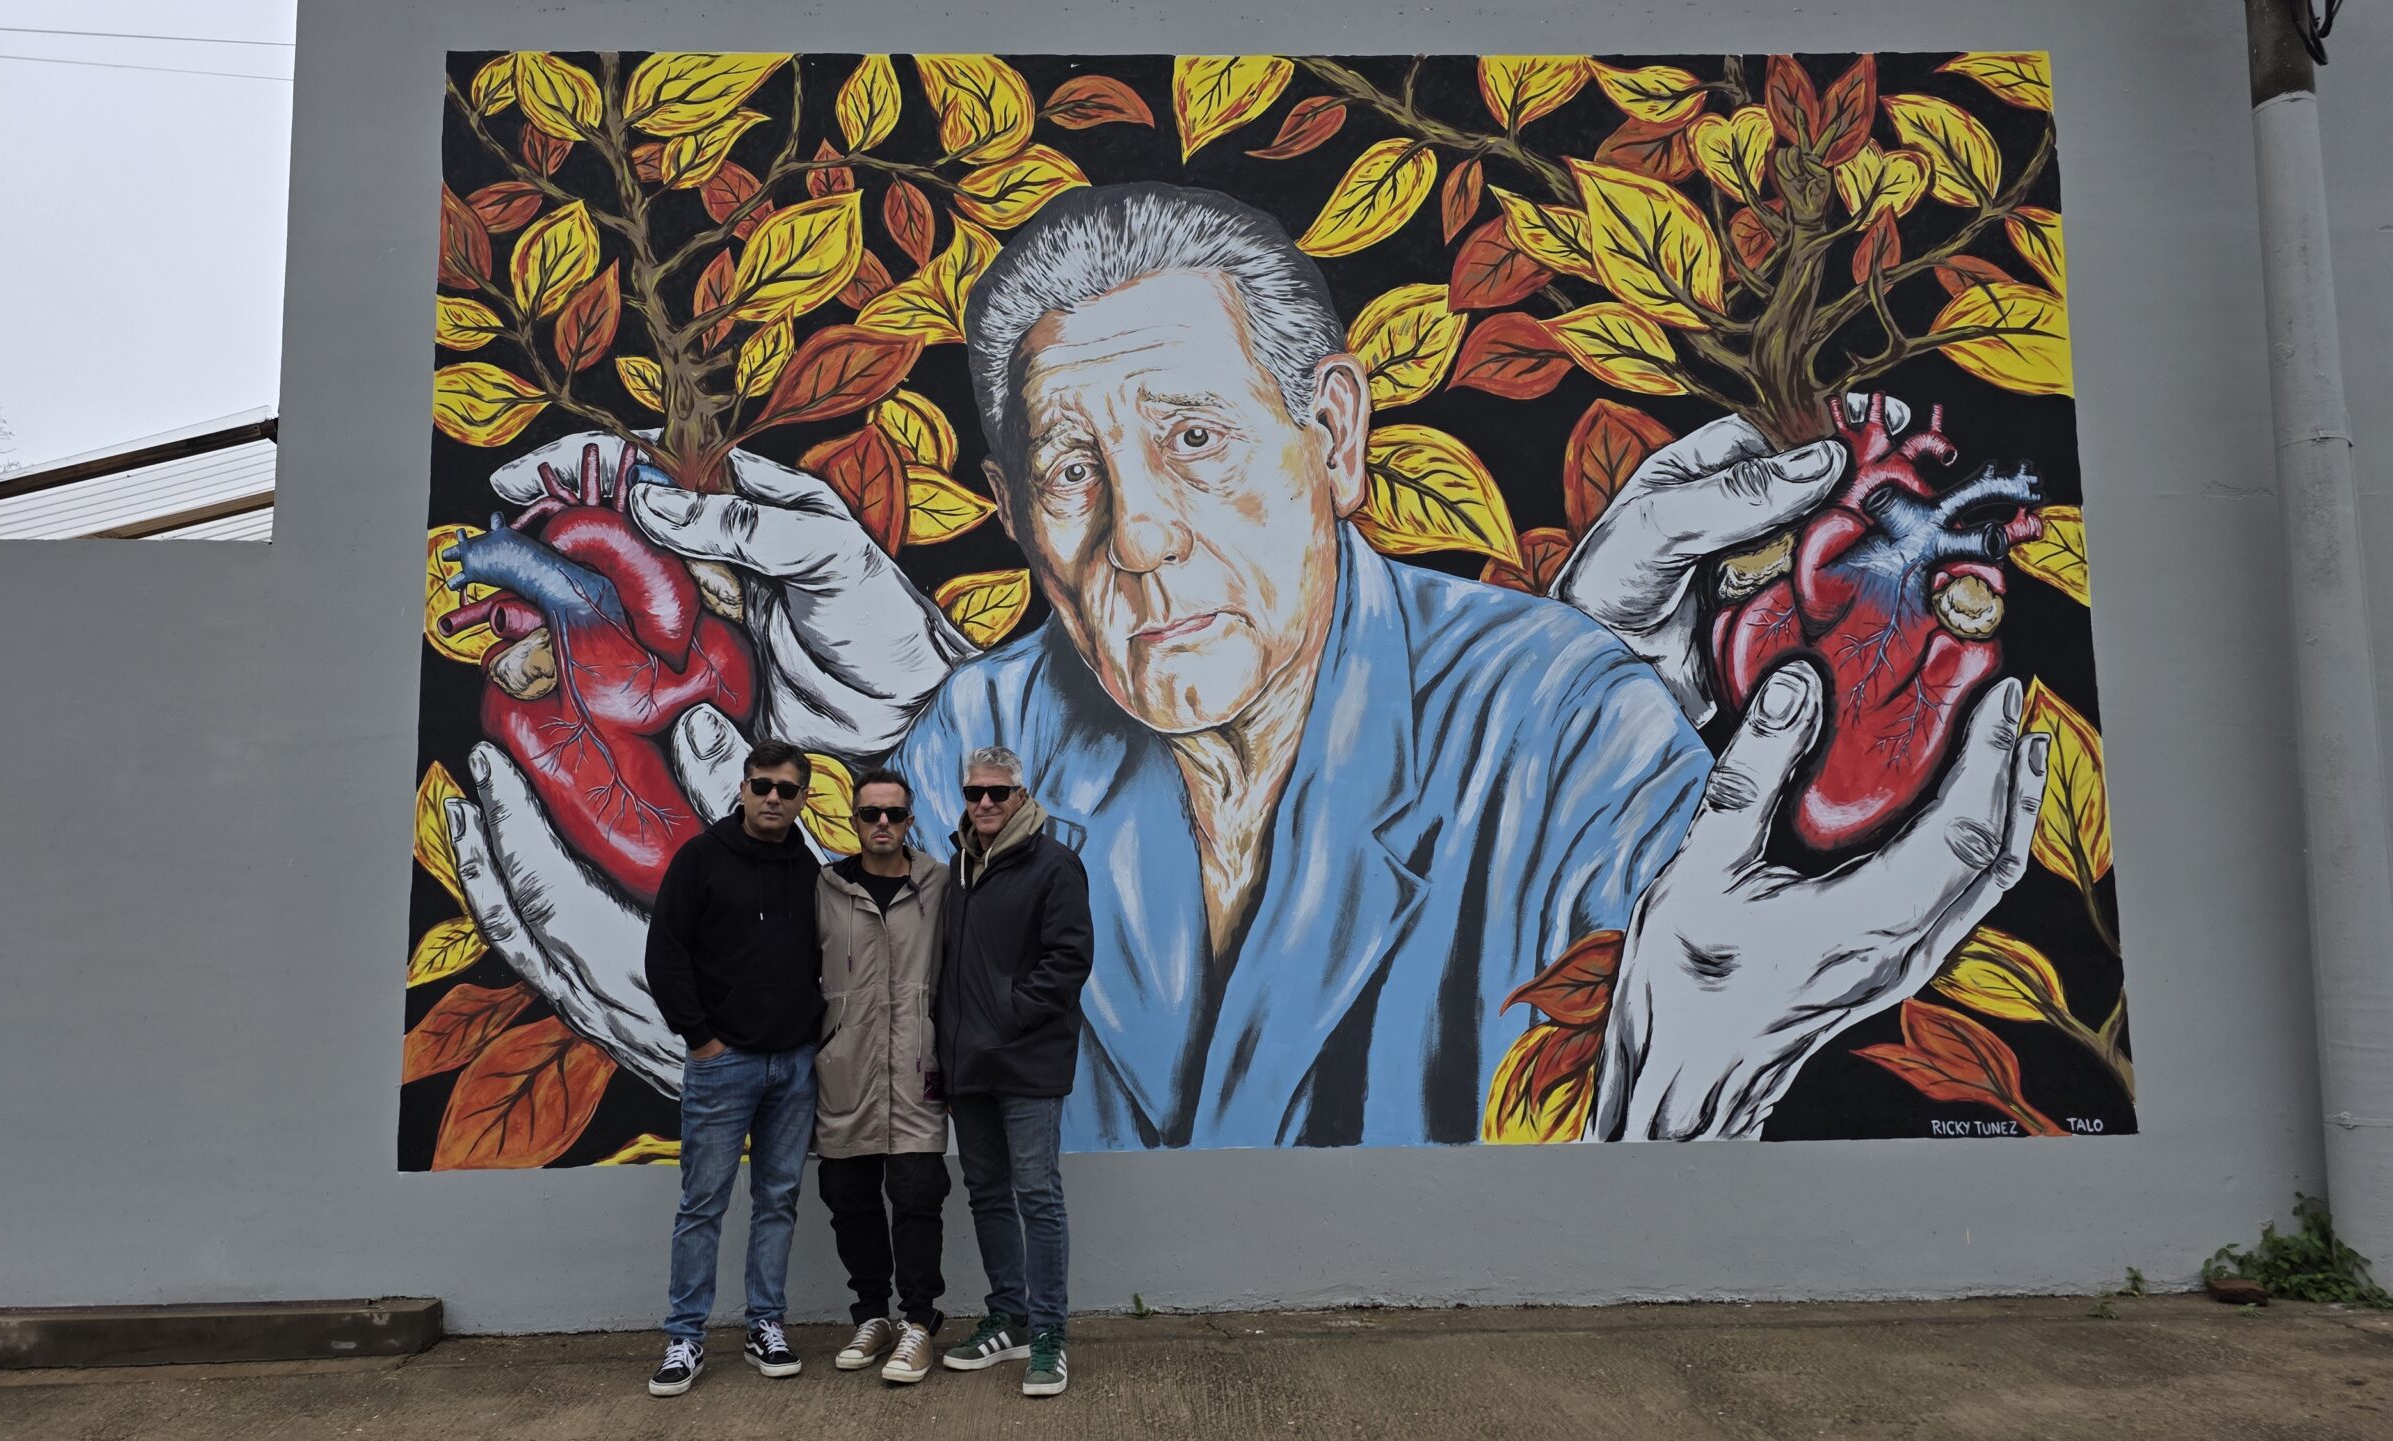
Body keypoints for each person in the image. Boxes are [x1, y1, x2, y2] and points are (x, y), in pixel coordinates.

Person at [451, 183, 2047, 1154]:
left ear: (1335, 437)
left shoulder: (1562, 722)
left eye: (1197, 439)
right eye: (1071, 469)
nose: (1137, 535)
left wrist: (1684, 1078)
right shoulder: (973, 740)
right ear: (1008, 513)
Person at [641, 741, 821, 1398]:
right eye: (763, 784)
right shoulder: (700, 860)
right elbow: (665, 955)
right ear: (743, 789)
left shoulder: (810, 868)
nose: (774, 796)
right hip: (725, 1064)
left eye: (787, 788)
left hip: (795, 1064)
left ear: (803, 798)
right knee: (703, 1203)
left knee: (778, 1199)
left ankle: (764, 1325)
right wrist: (702, 1039)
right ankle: (685, 1335)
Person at [933, 746, 1092, 1397]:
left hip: (1027, 1060)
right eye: (976, 793)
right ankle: (1009, 1315)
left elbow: (1068, 959)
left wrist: (1006, 1016)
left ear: (1022, 796)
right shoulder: (960, 869)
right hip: (968, 1064)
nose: (987, 804)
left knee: (1036, 1192)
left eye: (1000, 793)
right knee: (988, 1192)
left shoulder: (1054, 865)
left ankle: (1049, 1330)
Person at [812, 767, 953, 1384]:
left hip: (918, 1068)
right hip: (846, 1069)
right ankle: (872, 1316)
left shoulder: (940, 886)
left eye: (894, 814)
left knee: (920, 1195)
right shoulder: (825, 888)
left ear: (910, 819)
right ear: (854, 820)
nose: (883, 825)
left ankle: (918, 1323)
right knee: (849, 1197)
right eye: (871, 814)